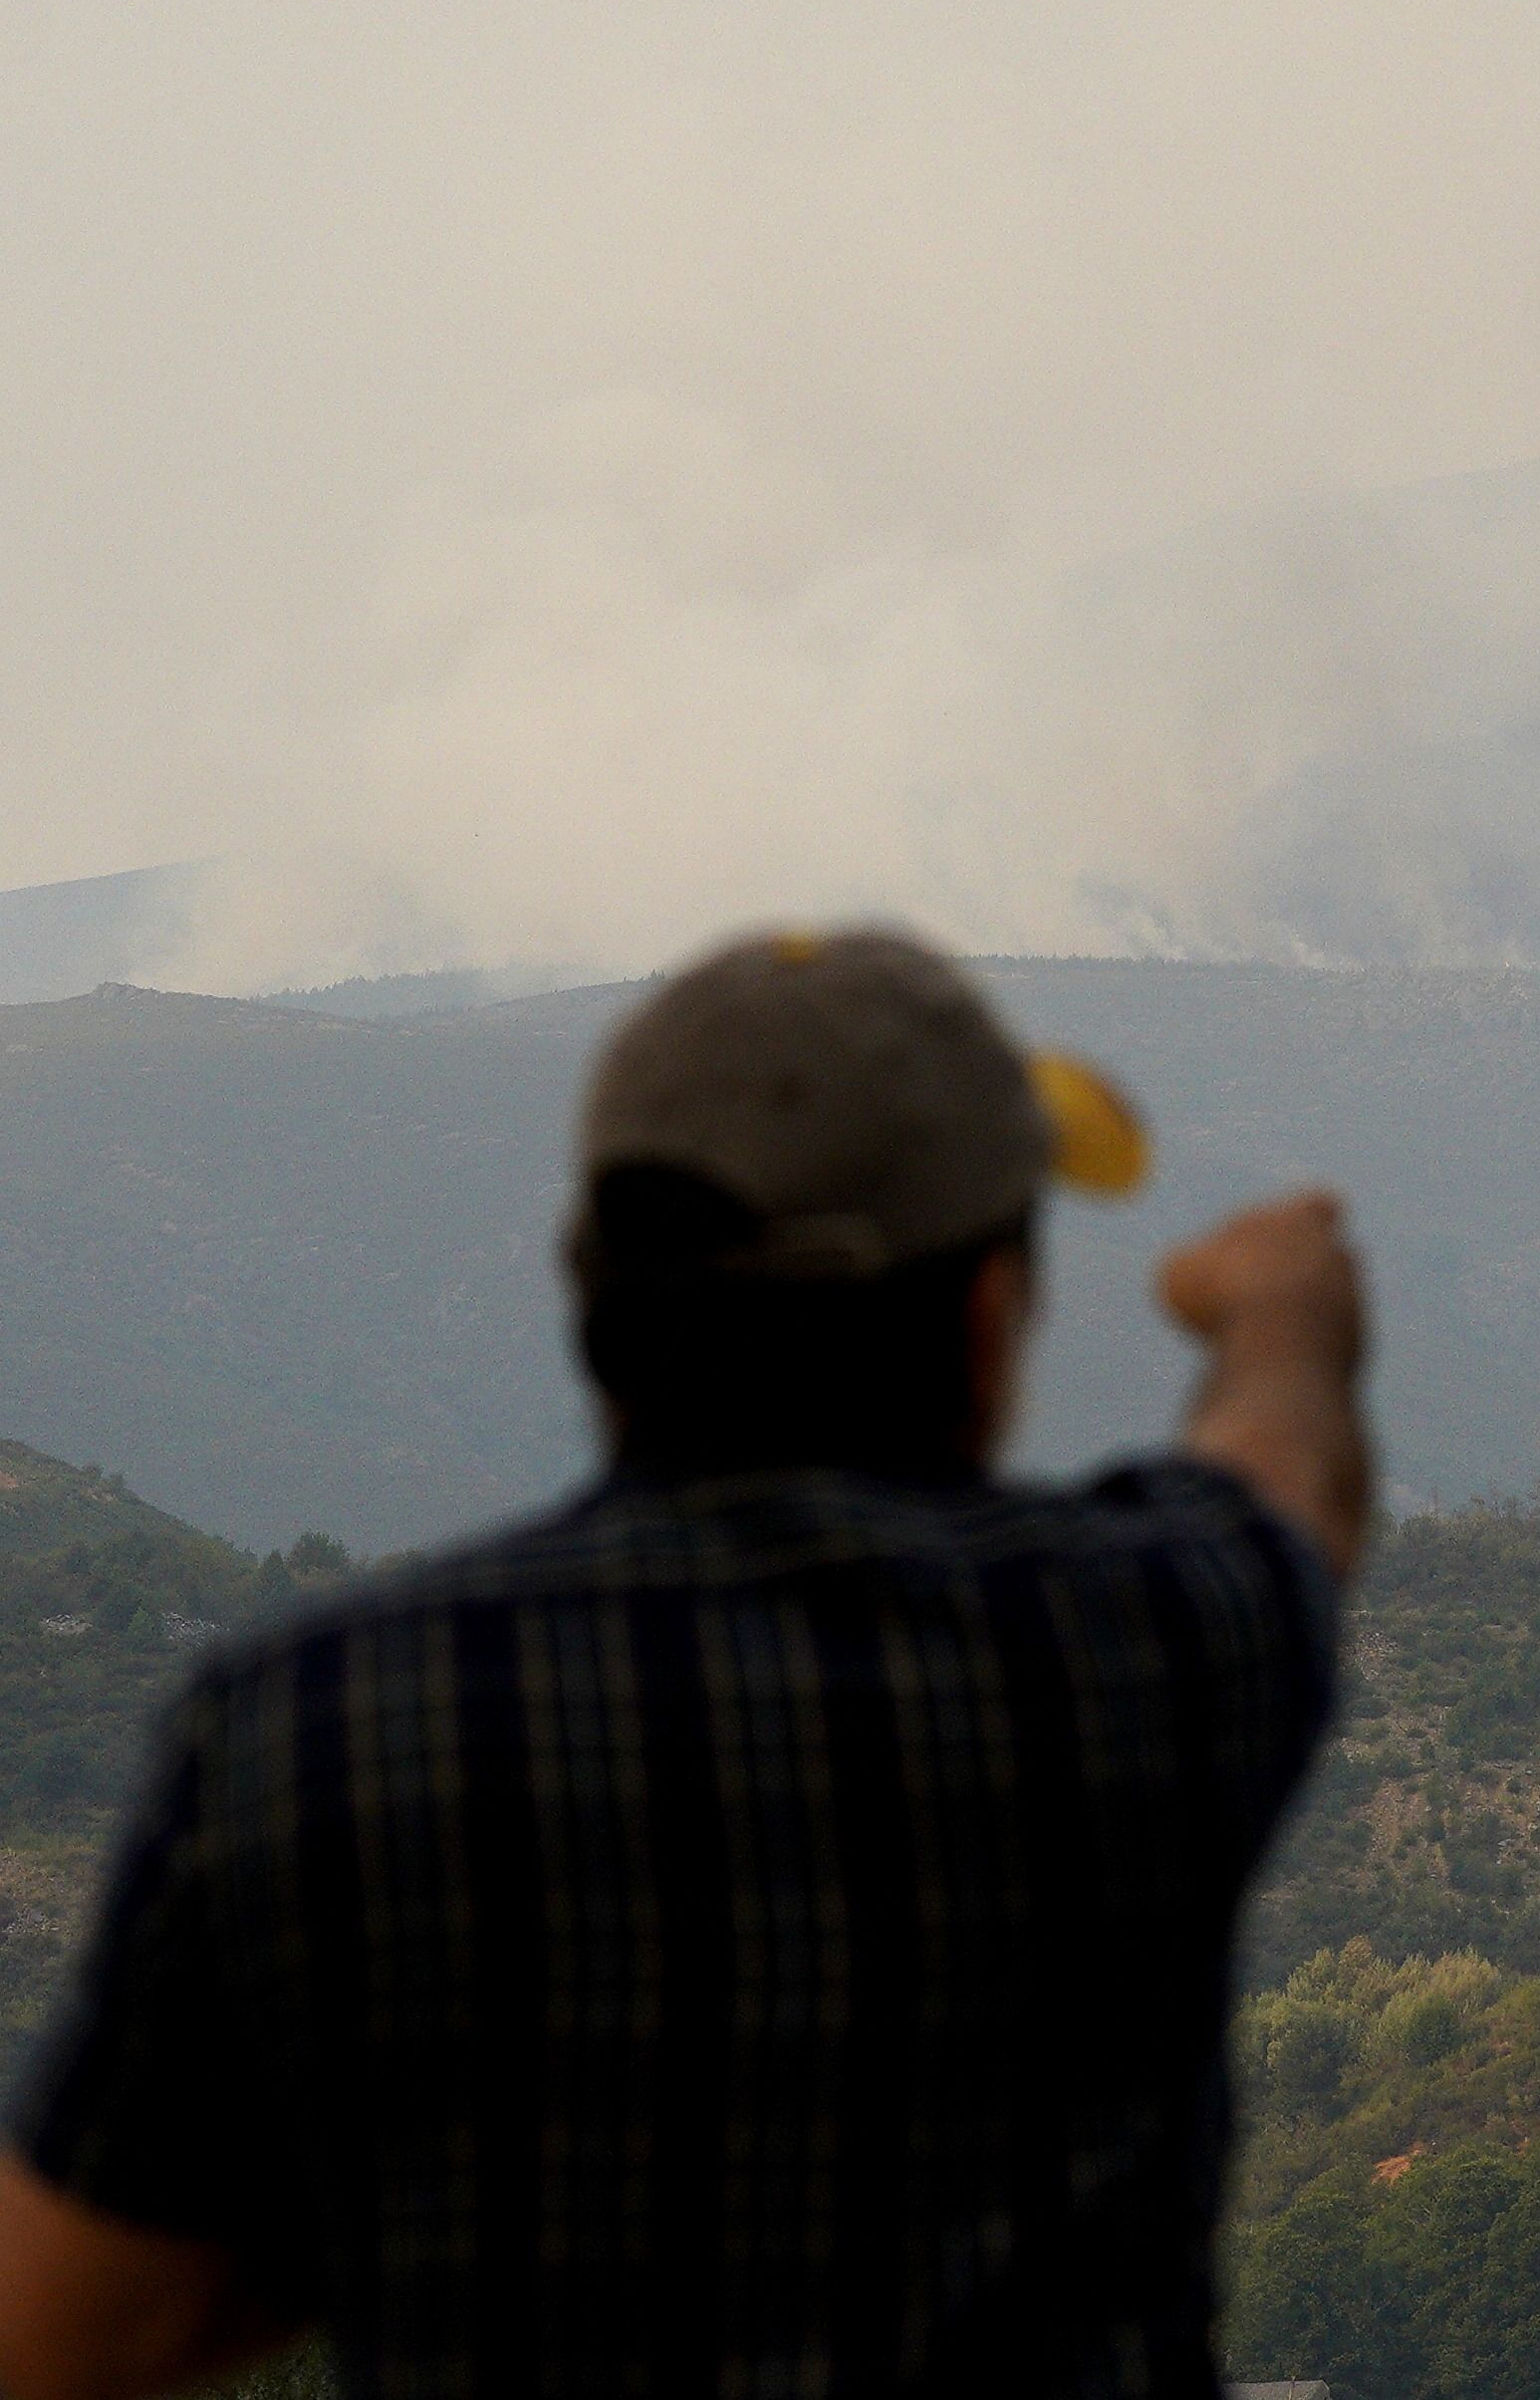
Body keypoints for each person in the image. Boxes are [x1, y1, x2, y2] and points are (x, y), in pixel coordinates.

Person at [0, 929, 1373, 2400]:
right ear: (988, 1316)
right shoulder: (1140, 1647)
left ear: (595, 1298)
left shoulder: (313, 1729)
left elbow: (61, 2337)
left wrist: (396, 2227)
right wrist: (1279, 1300)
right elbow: (1288, 1469)